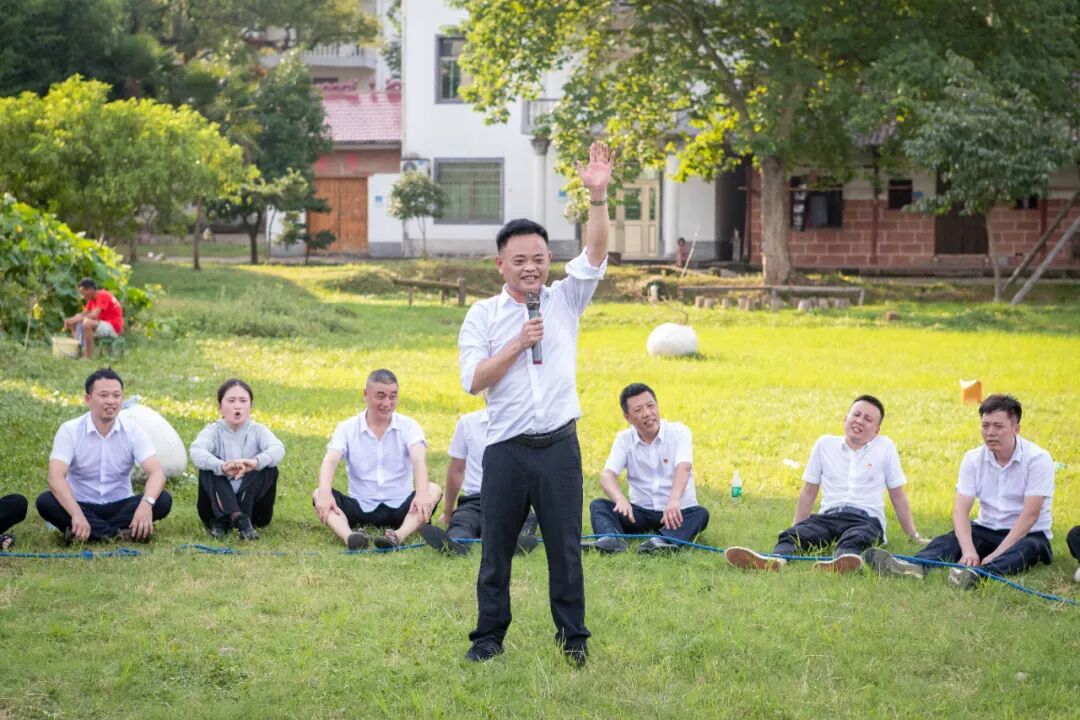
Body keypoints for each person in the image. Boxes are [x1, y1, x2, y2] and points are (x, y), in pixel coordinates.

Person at [458, 141, 614, 667]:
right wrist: (516, 344)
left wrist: (597, 197)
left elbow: (596, 251)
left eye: (539, 259)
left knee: (565, 549)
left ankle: (573, 638)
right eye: (519, 260)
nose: (530, 268)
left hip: (559, 449)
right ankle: (488, 636)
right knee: (496, 550)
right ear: (500, 264)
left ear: (549, 261)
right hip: (506, 449)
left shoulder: (566, 299)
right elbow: (474, 380)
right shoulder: (482, 315)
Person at [864, 395, 1055, 589]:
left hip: (1028, 534)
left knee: (1029, 548)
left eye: (998, 426)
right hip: (986, 529)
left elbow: (1031, 515)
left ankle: (978, 575)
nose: (990, 432)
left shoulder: (1038, 459)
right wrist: (968, 550)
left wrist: (997, 553)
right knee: (950, 539)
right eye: (985, 426)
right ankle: (912, 566)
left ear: (1016, 429)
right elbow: (960, 511)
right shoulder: (973, 459)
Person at [726, 395, 921, 573]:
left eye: (868, 419)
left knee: (856, 538)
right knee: (792, 536)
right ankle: (775, 561)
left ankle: (842, 563)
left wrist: (914, 535)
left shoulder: (885, 447)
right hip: (828, 516)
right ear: (845, 418)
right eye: (856, 414)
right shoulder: (824, 444)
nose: (860, 421)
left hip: (865, 519)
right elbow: (809, 492)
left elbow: (898, 495)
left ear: (876, 431)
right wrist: (796, 527)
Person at [36, 368, 172, 543]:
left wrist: (146, 504)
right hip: (81, 504)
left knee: (162, 500)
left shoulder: (133, 430)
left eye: (116, 396)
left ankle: (90, 533)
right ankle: (120, 533)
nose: (111, 401)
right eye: (104, 395)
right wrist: (76, 514)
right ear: (88, 399)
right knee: (46, 502)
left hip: (120, 504)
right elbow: (55, 477)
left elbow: (157, 473)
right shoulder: (70, 430)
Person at [312, 369, 440, 550]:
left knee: (432, 489)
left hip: (402, 507)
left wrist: (421, 493)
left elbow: (418, 458)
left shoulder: (409, 426)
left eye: (393, 397)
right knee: (319, 493)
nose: (387, 403)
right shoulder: (347, 428)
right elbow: (330, 460)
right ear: (365, 394)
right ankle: (351, 537)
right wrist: (325, 494)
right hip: (359, 506)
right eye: (381, 396)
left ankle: (398, 535)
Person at [582, 383, 709, 555]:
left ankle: (662, 541)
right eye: (638, 410)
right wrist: (620, 499)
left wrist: (674, 500)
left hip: (676, 511)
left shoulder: (679, 432)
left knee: (700, 514)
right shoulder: (624, 439)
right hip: (640, 511)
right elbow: (607, 475)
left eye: (650, 406)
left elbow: (684, 467)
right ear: (627, 417)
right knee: (599, 505)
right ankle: (612, 540)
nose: (647, 413)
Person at [418, 406, 539, 556]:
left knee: (526, 518)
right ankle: (456, 544)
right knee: (462, 520)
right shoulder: (467, 423)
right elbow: (456, 470)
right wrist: (448, 512)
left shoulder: (526, 423)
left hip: (511, 499)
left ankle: (518, 542)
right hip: (475, 501)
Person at [190, 378, 284, 541]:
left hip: (255, 513)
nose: (237, 406)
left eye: (243, 401)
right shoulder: (213, 430)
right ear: (220, 407)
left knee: (268, 466)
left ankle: (229, 520)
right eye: (231, 401)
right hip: (214, 508)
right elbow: (196, 451)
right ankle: (239, 520)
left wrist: (254, 463)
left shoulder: (258, 430)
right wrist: (221, 467)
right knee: (208, 468)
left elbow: (278, 449)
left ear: (250, 407)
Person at [62, 278, 124, 360]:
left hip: (113, 327)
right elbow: (83, 314)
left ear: (91, 289)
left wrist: (75, 319)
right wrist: (70, 320)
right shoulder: (91, 300)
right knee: (76, 322)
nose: (83, 296)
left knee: (87, 323)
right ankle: (79, 351)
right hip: (103, 324)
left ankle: (88, 356)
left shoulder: (103, 295)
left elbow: (94, 315)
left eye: (83, 292)